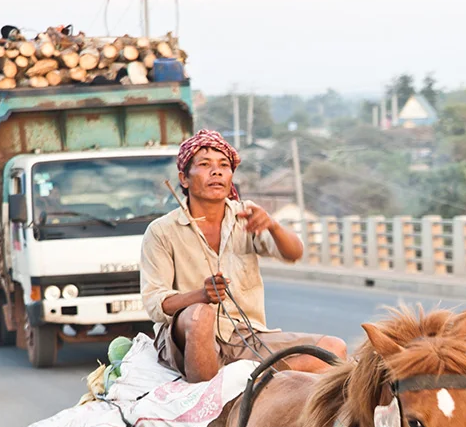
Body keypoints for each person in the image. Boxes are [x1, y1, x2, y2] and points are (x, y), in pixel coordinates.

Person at [140, 130, 346, 382]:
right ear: (184, 179)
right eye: (204, 165)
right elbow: (155, 304)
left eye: (223, 166)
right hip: (187, 339)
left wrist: (272, 225)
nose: (216, 172)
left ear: (230, 176)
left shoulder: (245, 218)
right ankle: (210, 391)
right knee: (201, 315)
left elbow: (294, 253)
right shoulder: (162, 230)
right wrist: (201, 296)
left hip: (247, 337)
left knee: (335, 350)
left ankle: (249, 383)